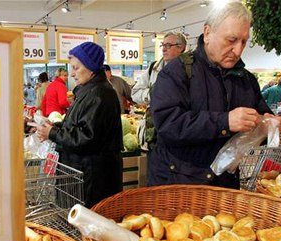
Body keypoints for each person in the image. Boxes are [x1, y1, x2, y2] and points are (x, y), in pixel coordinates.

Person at [148, 1, 281, 189]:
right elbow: (168, 124)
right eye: (231, 40)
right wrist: (224, 122)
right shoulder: (176, 72)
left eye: (244, 42)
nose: (238, 50)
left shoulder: (246, 80)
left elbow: (261, 115)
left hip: (225, 184)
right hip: (179, 182)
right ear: (207, 34)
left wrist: (269, 126)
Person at [36, 42, 123, 208]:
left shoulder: (99, 95)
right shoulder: (90, 91)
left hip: (92, 179)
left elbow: (87, 137)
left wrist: (53, 133)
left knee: (87, 225)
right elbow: (79, 124)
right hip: (84, 174)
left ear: (90, 67)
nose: (72, 74)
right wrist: (55, 127)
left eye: (76, 68)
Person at [131, 32, 187, 151]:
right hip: (154, 133)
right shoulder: (153, 68)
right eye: (162, 45)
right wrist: (154, 94)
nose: (164, 49)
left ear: (181, 47)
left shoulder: (190, 71)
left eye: (168, 45)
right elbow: (135, 93)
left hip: (180, 131)